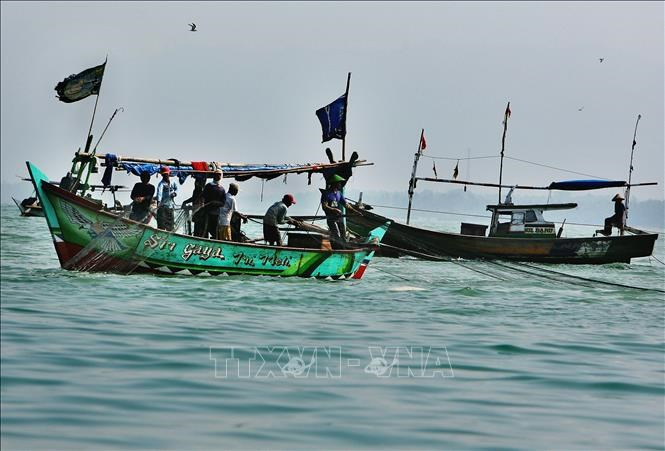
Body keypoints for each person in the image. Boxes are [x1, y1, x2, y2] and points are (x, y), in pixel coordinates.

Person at [321, 174, 348, 245]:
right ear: (335, 184)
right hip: (331, 219)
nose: (340, 185)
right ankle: (337, 249)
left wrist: (355, 211)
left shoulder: (339, 193)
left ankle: (344, 248)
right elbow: (324, 207)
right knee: (337, 235)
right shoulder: (326, 194)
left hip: (339, 218)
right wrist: (334, 210)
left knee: (343, 235)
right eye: (339, 183)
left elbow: (346, 205)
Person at [202, 169, 226, 239]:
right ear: (213, 176)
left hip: (216, 213)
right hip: (207, 212)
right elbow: (203, 196)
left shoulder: (222, 189)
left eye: (219, 175)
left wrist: (214, 203)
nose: (218, 176)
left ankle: (214, 242)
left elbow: (223, 203)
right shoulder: (209, 186)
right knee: (205, 228)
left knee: (215, 230)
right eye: (216, 174)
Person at [155, 166, 178, 231]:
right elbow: (159, 194)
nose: (165, 176)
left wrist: (175, 193)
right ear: (162, 175)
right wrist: (158, 203)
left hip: (170, 207)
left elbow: (176, 189)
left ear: (169, 174)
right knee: (161, 226)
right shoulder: (161, 184)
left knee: (170, 226)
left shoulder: (173, 182)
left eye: (166, 174)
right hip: (163, 207)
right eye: (164, 175)